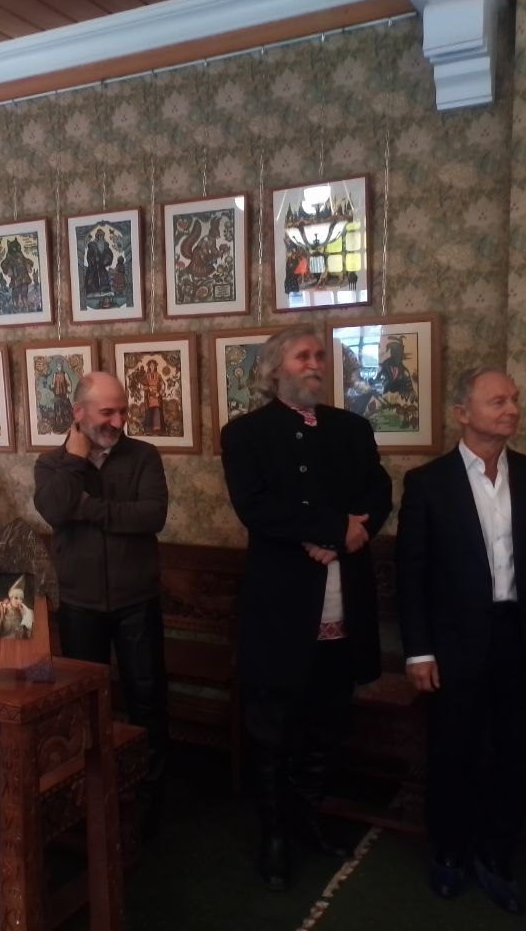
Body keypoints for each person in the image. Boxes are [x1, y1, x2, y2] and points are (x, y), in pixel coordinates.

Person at [397, 367, 526, 914]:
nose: (512, 409)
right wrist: (419, 650)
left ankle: (498, 856)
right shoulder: (428, 483)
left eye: (515, 399)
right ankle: (449, 852)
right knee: (452, 750)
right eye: (497, 400)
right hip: (454, 644)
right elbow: (412, 573)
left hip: (523, 637)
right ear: (463, 413)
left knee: (513, 752)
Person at [220, 324, 392, 891]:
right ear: (276, 369)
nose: (316, 363)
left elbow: (378, 493)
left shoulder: (352, 428)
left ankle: (308, 817)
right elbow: (256, 507)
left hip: (344, 596)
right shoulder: (245, 434)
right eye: (303, 356)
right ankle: (274, 834)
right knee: (273, 727)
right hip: (282, 604)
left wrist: (347, 536)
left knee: (328, 721)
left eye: (320, 355)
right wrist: (330, 529)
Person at [33, 371, 170, 834]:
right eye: (107, 412)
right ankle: (86, 792)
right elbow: (55, 509)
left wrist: (89, 509)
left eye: (123, 411)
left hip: (137, 600)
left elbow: (152, 516)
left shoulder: (143, 456)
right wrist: (75, 461)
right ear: (79, 412)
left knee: (147, 697)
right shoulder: (53, 464)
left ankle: (150, 795)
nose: (118, 420)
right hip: (80, 602)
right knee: (84, 701)